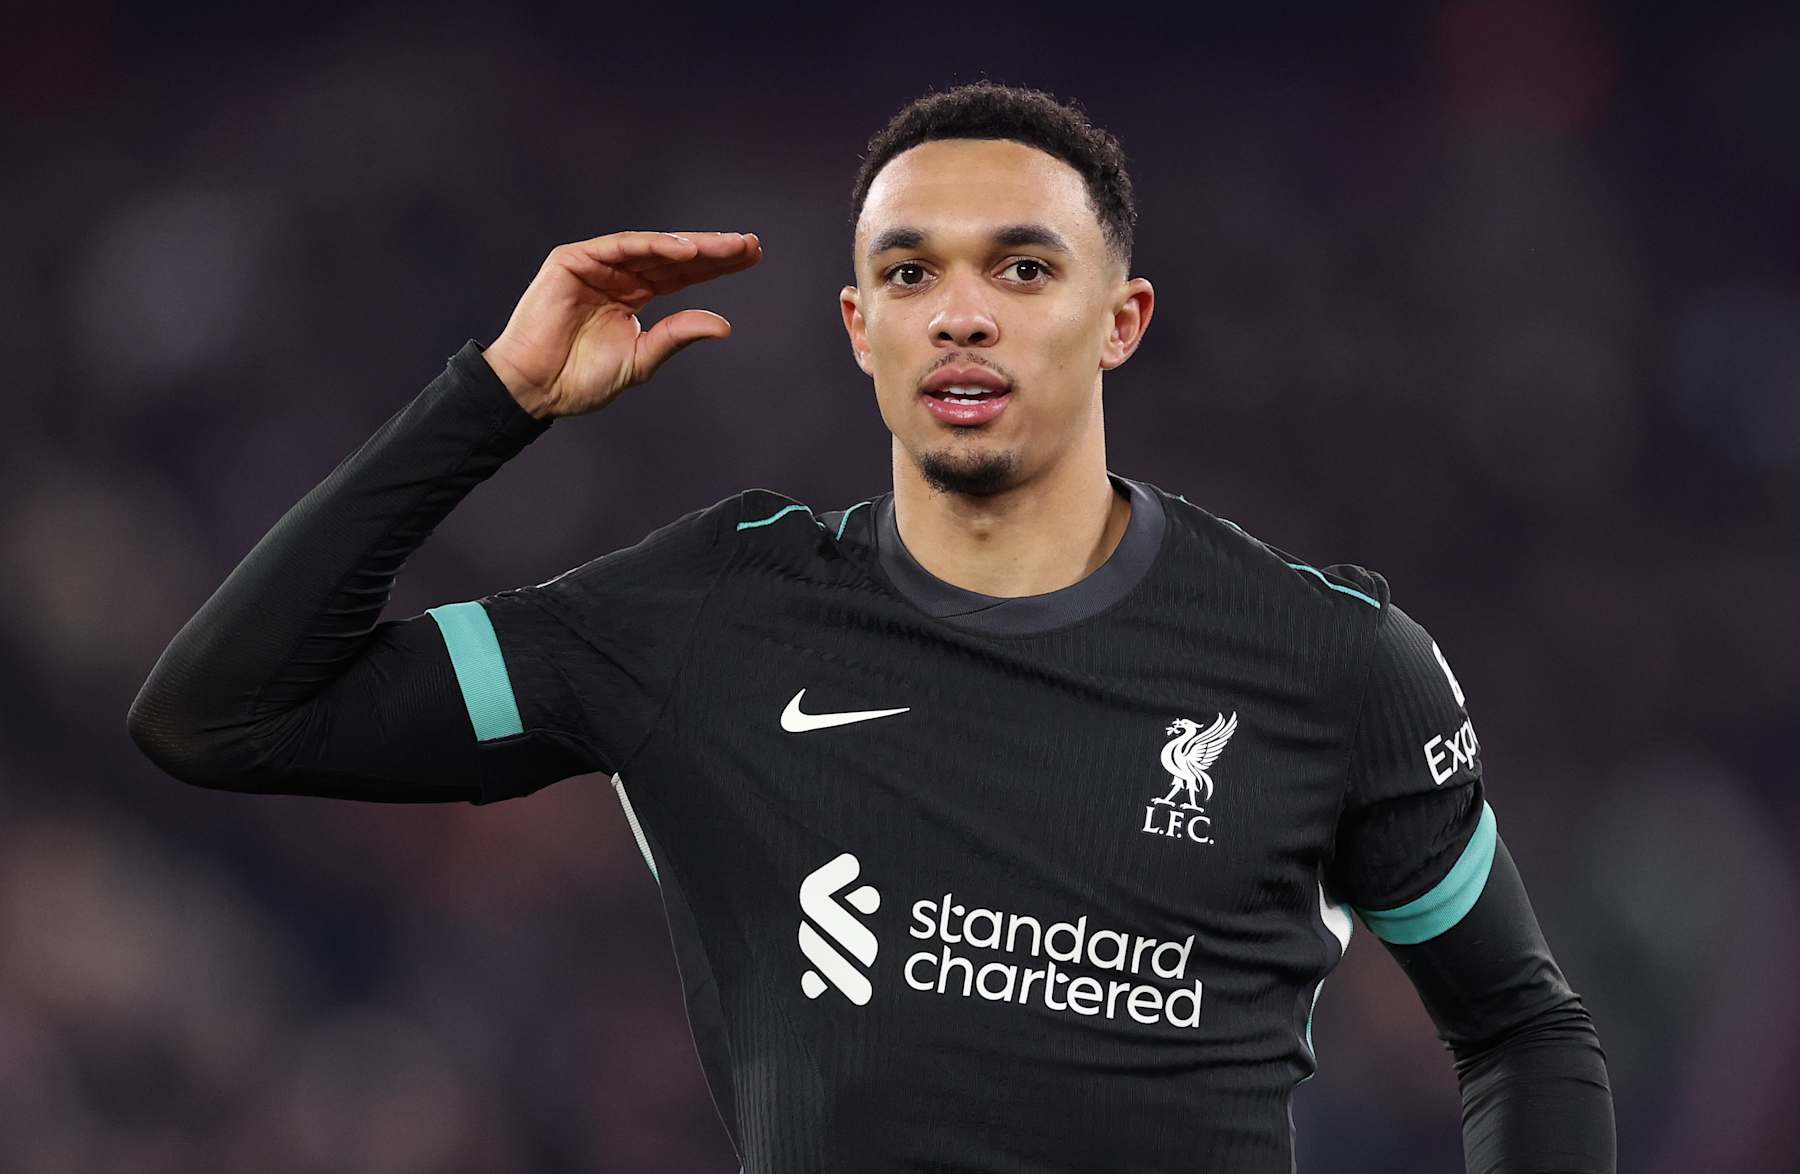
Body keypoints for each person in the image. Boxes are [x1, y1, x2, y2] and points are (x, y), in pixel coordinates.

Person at [129, 81, 1615, 1172]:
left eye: (1022, 267)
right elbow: (226, 713)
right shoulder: (711, 613)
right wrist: (492, 401)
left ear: (1122, 318)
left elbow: (1521, 1030)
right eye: (911, 271)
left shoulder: (1330, 662)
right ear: (859, 326)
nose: (960, 313)